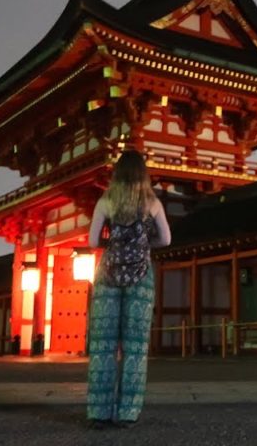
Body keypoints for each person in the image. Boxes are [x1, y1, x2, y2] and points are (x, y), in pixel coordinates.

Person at [86, 150, 171, 429]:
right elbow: (167, 239)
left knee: (103, 346)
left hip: (108, 273)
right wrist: (145, 246)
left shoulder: (106, 201)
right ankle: (127, 413)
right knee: (135, 348)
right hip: (141, 275)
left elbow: (91, 241)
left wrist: (111, 246)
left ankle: (99, 412)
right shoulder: (152, 202)